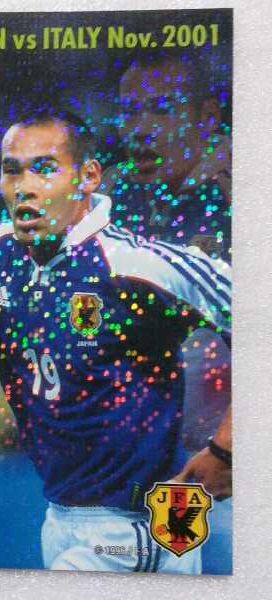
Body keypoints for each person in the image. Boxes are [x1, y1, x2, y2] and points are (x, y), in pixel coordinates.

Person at [0, 110, 231, 573]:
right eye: (12, 170)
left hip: (143, 523)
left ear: (88, 177)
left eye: (45, 169)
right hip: (60, 518)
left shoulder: (135, 264)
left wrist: (227, 450)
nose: (25, 187)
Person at [102, 51, 232, 456]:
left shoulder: (248, 189)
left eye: (161, 110)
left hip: (227, 452)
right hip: (130, 444)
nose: (139, 130)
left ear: (208, 117)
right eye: (129, 113)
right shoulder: (106, 196)